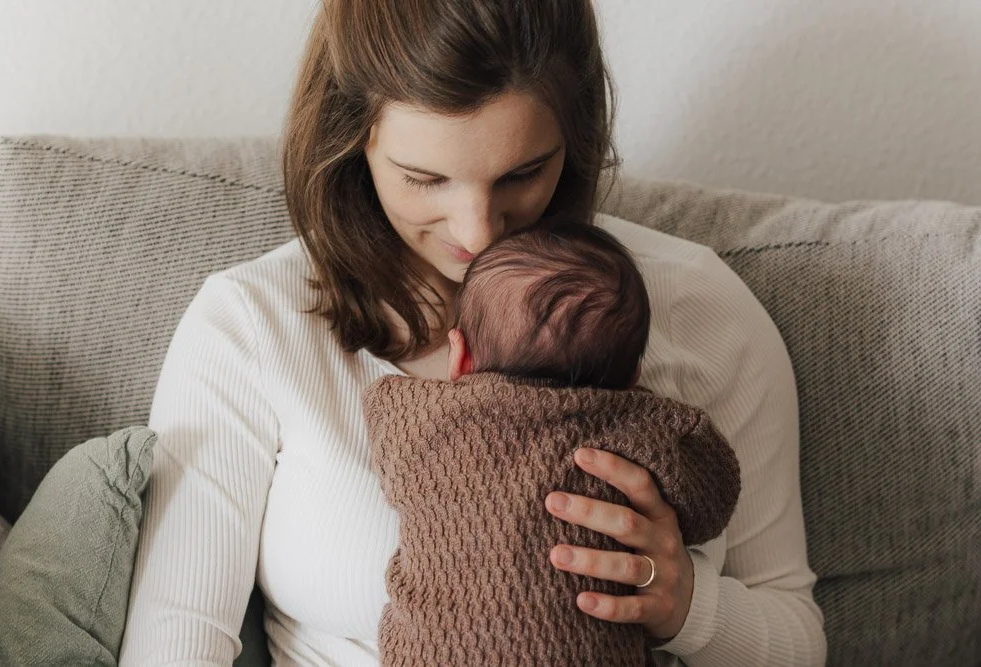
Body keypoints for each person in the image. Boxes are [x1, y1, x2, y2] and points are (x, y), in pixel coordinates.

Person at [120, 0, 828, 665]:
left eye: (524, 172)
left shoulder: (699, 308)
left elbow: (798, 637)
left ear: (576, 138)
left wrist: (688, 605)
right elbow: (174, 643)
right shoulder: (254, 323)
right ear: (352, 138)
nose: (477, 230)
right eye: (424, 178)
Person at [363, 221, 743, 666]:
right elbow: (713, 502)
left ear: (460, 355)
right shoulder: (646, 427)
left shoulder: (413, 415)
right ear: (635, 375)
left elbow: (381, 405)